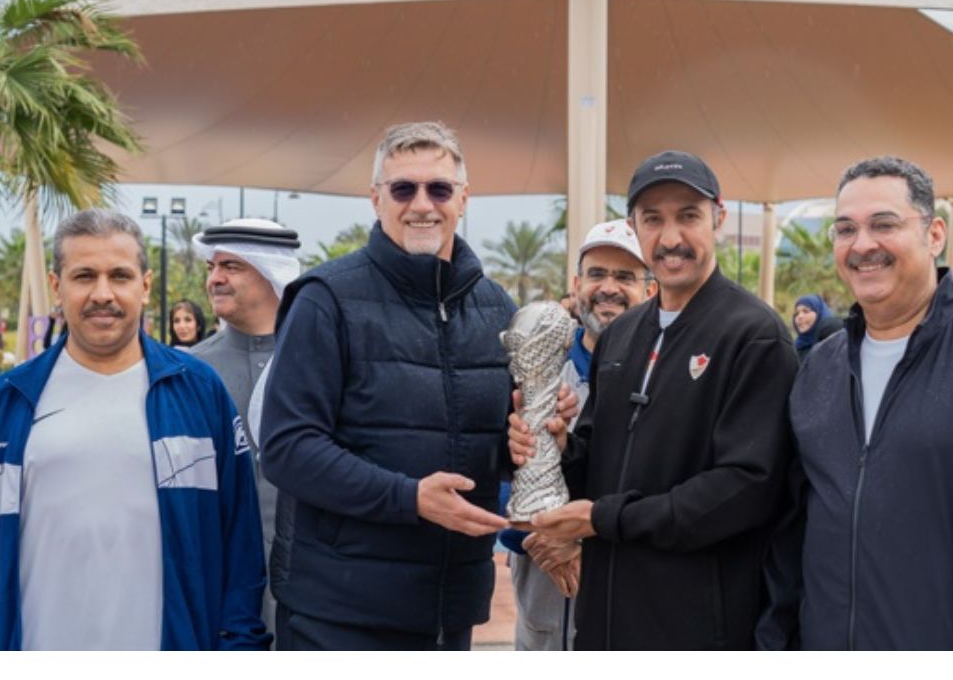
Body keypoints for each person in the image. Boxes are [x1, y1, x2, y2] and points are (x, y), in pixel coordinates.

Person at [259, 121, 576, 651]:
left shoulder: (496, 307)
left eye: (439, 189)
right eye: (404, 189)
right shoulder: (325, 299)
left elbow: (490, 444)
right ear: (376, 199)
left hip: (449, 613)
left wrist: (530, 441)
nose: (422, 204)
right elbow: (288, 448)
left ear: (463, 199)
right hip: (339, 613)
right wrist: (409, 499)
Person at [756, 156, 953, 650]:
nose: (862, 244)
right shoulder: (818, 369)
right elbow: (793, 525)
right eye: (845, 229)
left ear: (934, 234)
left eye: (884, 224)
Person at [509, 150, 799, 649]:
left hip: (699, 632)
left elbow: (745, 489)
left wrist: (605, 519)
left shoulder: (754, 335)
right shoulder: (621, 335)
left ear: (718, 219)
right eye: (652, 219)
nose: (670, 238)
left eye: (688, 216)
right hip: (604, 626)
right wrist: (558, 449)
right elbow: (598, 461)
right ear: (634, 226)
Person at [0, 209, 268, 650]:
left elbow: (240, 541)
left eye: (119, 275)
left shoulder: (198, 392)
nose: (102, 294)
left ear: (145, 286)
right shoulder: (8, 401)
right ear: (57, 286)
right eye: (84, 276)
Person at [500, 219, 655, 651]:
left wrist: (589, 535)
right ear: (576, 284)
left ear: (650, 290)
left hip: (631, 569)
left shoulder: (665, 372)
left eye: (624, 277)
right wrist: (541, 534)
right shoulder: (537, 366)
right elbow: (506, 474)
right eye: (596, 274)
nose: (609, 288)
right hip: (545, 574)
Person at [190, 217, 301, 639]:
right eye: (211, 267)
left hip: (310, 585)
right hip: (216, 582)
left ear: (272, 272)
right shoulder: (189, 371)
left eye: (231, 266)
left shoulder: (320, 360)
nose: (215, 279)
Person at [791, 294, 834, 361]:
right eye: (797, 313)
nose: (800, 316)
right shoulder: (794, 349)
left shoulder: (834, 346)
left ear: (819, 314)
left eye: (806, 311)